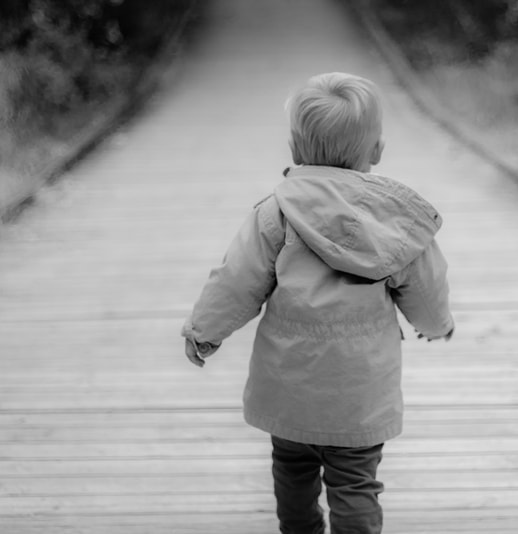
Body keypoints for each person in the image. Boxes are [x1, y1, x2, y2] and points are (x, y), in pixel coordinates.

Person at [182, 72, 454, 534]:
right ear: (376, 151)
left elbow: (235, 281)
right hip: (359, 396)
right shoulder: (393, 224)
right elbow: (426, 285)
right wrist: (435, 323)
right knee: (355, 484)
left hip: (290, 392)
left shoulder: (275, 215)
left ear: (293, 146)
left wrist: (204, 331)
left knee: (292, 474)